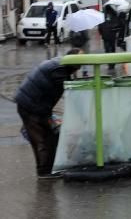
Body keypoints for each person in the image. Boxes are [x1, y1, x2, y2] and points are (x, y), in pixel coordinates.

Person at [15, 48, 83, 178]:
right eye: (79, 64)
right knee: (42, 139)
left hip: (33, 105)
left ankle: (48, 169)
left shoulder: (60, 65)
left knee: (49, 136)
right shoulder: (59, 71)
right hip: (30, 106)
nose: (80, 67)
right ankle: (44, 172)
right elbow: (69, 92)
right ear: (72, 61)